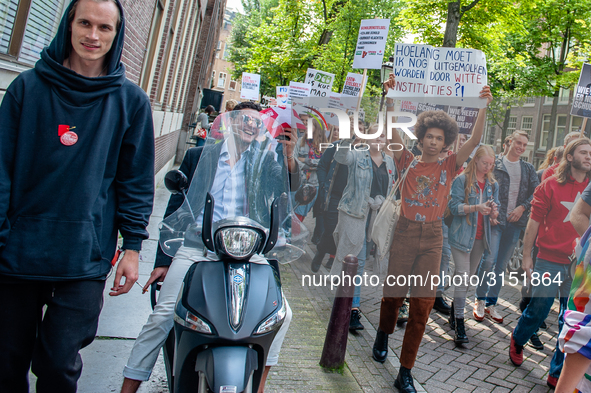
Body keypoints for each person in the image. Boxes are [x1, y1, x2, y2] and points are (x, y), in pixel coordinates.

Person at [0, 1, 155, 391]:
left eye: (105, 27)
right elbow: (1, 169)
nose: (93, 35)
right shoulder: (26, 89)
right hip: (17, 251)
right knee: (6, 361)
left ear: (116, 34)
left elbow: (135, 181)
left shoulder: (130, 102)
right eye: (85, 23)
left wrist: (132, 247)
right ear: (68, 25)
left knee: (57, 363)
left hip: (84, 254)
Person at [120, 103, 301, 393]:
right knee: (163, 314)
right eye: (244, 119)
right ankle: (128, 388)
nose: (250, 125)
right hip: (198, 246)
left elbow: (289, 187)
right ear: (229, 122)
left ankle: (259, 387)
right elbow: (177, 206)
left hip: (247, 248)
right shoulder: (199, 155)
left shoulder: (266, 162)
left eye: (257, 122)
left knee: (282, 314)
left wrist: (289, 156)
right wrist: (164, 259)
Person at [372, 72, 492, 393]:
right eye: (430, 136)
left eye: (440, 138)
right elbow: (393, 129)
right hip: (405, 233)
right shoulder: (407, 161)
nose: (434, 142)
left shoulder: (451, 165)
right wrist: (392, 98)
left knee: (422, 306)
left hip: (434, 238)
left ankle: (405, 371)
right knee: (393, 296)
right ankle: (383, 332)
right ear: (422, 137)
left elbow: (475, 140)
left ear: (445, 142)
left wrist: (483, 105)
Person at [509, 138, 591, 389]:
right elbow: (533, 222)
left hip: (578, 265)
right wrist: (526, 256)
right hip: (548, 259)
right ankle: (518, 337)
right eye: (584, 152)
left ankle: (557, 371)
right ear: (569, 157)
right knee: (539, 309)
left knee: (569, 319)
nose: (589, 156)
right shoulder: (549, 185)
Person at [329, 124, 396, 331]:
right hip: (355, 213)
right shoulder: (357, 155)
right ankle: (353, 309)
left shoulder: (390, 161)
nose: (379, 138)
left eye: (383, 135)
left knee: (363, 259)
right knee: (354, 260)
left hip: (376, 216)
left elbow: (392, 188)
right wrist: (348, 137)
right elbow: (341, 157)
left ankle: (345, 299)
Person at [474, 130, 539, 324]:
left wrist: (522, 207)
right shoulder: (495, 165)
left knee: (501, 266)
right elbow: (484, 188)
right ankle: (479, 299)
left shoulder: (528, 168)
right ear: (508, 143)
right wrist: (490, 212)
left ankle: (490, 303)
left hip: (514, 223)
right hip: (495, 221)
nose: (521, 147)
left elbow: (537, 192)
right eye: (518, 143)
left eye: (524, 145)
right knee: (489, 261)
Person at [447, 146, 499, 344]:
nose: (487, 167)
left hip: (480, 237)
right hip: (461, 235)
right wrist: (476, 207)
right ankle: (460, 322)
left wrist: (493, 213)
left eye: (491, 164)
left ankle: (454, 310)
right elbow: (454, 207)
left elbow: (495, 211)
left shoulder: (492, 184)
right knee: (461, 276)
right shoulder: (462, 180)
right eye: (485, 163)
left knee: (467, 278)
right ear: (475, 160)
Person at [311, 118, 365, 272]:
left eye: (360, 129)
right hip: (335, 196)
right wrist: (323, 185)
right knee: (331, 229)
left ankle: (333, 259)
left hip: (352, 200)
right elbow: (322, 166)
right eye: (355, 129)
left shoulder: (364, 152)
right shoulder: (336, 147)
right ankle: (321, 250)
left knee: (344, 234)